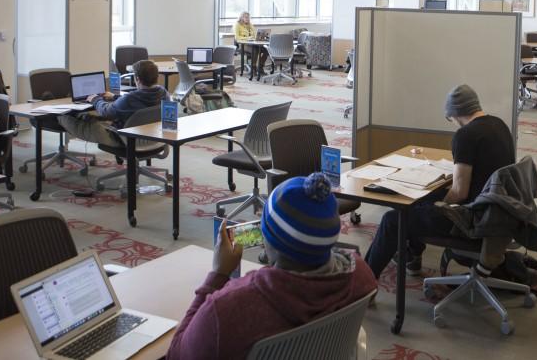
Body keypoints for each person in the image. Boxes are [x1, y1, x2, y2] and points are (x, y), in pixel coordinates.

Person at [167, 172, 377, 359]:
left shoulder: (226, 311)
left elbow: (177, 354)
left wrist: (218, 274)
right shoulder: (361, 275)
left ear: (268, 240)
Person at [364, 85, 515, 278]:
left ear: (455, 114)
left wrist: (437, 205)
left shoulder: (466, 135)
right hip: (496, 212)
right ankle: (412, 256)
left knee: (393, 219)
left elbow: (459, 192)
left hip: (471, 219)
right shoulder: (498, 125)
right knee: (419, 200)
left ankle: (365, 283)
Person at [58, 60, 169, 145]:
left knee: (63, 117)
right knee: (87, 116)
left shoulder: (129, 99)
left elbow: (106, 111)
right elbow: (134, 102)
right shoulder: (164, 93)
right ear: (157, 77)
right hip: (152, 138)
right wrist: (116, 97)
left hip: (122, 139)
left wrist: (95, 99)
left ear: (138, 79)